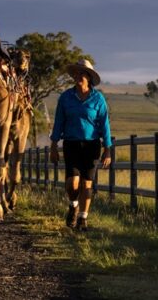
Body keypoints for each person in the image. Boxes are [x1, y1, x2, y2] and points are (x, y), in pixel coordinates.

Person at [49, 59, 112, 232]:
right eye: (76, 73)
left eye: (81, 73)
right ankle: (73, 205)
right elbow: (59, 122)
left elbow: (104, 124)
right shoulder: (66, 97)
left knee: (87, 184)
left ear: (89, 77)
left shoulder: (98, 99)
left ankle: (83, 218)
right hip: (71, 144)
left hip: (92, 146)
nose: (78, 76)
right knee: (72, 183)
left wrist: (107, 150)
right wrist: (54, 145)